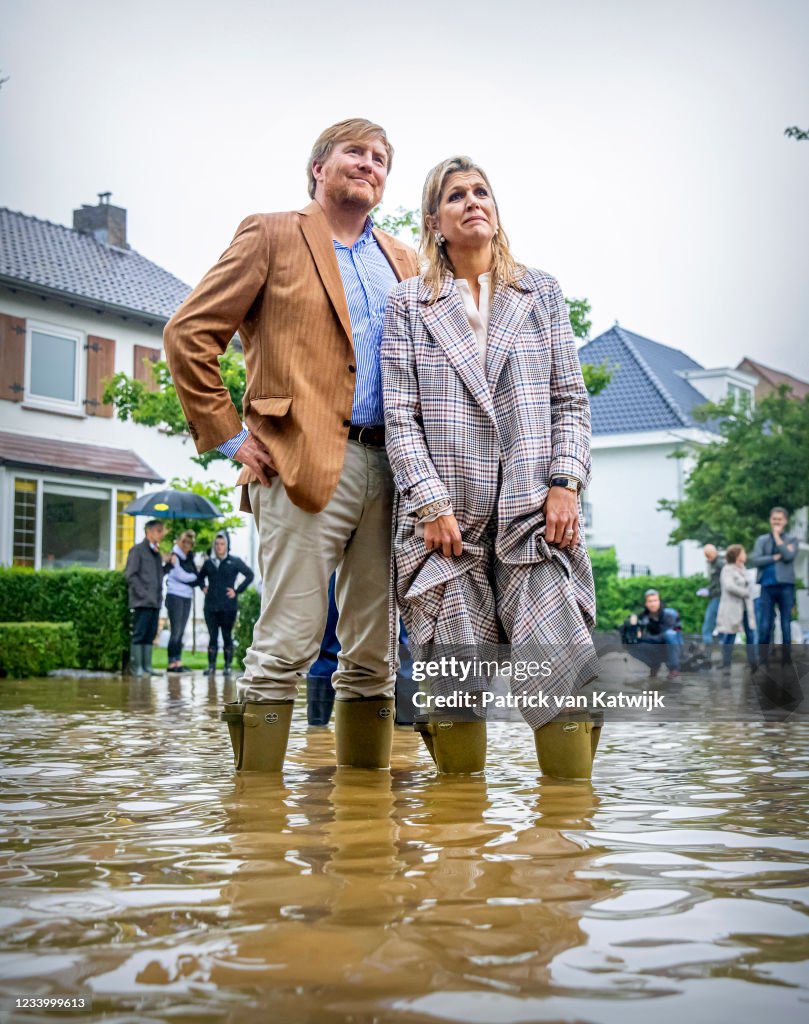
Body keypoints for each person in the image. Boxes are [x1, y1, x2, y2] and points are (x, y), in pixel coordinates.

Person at [164, 118, 419, 772]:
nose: (369, 164)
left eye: (380, 158)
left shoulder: (405, 259)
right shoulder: (271, 233)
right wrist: (230, 437)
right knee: (286, 643)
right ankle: (256, 823)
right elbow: (188, 334)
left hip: (393, 469)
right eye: (354, 153)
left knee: (375, 654)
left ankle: (366, 821)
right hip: (295, 462)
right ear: (318, 168)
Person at [381, 156, 601, 780]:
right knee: (454, 682)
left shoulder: (541, 292)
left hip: (534, 512)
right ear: (434, 220)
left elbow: (569, 400)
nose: (473, 201)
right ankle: (460, 844)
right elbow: (401, 415)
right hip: (444, 521)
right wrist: (429, 502)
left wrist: (565, 481)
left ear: (496, 211)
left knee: (559, 665)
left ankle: (565, 840)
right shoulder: (409, 304)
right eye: (457, 196)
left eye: (482, 192)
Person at [198, 532, 254, 676]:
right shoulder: (209, 563)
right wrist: (203, 587)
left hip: (228, 607)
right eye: (216, 544)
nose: (219, 547)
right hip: (210, 607)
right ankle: (211, 667)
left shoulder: (234, 561)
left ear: (227, 546)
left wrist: (237, 590)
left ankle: (227, 666)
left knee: (227, 636)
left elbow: (250, 575)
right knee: (212, 637)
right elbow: (200, 577)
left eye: (222, 544)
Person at [748, 507, 798, 664]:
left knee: (786, 623)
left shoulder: (792, 540)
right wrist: (776, 557)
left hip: (786, 586)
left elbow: (789, 556)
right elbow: (755, 559)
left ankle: (786, 659)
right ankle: (763, 658)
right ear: (770, 520)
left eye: (780, 519)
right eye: (774, 519)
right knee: (765, 624)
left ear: (785, 521)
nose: (777, 522)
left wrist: (777, 537)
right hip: (767, 586)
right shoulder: (762, 540)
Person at [124, 518, 167, 678]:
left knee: (150, 634)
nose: (161, 534)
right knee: (139, 633)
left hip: (155, 602)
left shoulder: (156, 553)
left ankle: (147, 666)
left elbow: (159, 575)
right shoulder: (137, 550)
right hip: (142, 601)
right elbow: (130, 575)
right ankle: (137, 668)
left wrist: (168, 564)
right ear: (148, 532)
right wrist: (142, 593)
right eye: (158, 530)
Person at [621, 589, 682, 679]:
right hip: (656, 646)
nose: (653, 604)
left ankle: (674, 669)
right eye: (650, 601)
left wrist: (643, 637)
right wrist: (632, 625)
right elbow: (632, 631)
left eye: (655, 601)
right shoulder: (644, 616)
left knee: (669, 635)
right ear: (646, 603)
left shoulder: (669, 614)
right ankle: (654, 665)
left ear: (659, 601)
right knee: (632, 644)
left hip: (673, 647)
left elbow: (668, 636)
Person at [716, 544, 758, 674]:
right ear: (737, 555)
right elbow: (729, 586)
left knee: (750, 635)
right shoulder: (727, 569)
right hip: (733, 608)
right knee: (730, 635)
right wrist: (745, 592)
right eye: (743, 552)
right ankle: (726, 664)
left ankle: (753, 663)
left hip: (746, 608)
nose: (745, 555)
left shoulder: (744, 569)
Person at [165, 529, 200, 673]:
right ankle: (171, 662)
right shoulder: (173, 556)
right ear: (179, 541)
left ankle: (178, 661)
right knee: (175, 630)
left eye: (189, 543)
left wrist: (195, 576)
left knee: (181, 631)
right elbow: (181, 575)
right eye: (184, 542)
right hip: (175, 596)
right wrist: (195, 578)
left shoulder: (190, 557)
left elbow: (195, 574)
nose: (186, 545)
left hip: (186, 597)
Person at [698, 544, 724, 650]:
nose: (707, 558)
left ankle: (707, 653)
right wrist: (708, 590)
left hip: (719, 597)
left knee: (708, 626)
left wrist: (710, 592)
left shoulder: (720, 563)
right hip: (717, 596)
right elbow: (715, 582)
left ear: (714, 552)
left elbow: (723, 583)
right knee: (721, 627)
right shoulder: (714, 563)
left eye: (708, 555)